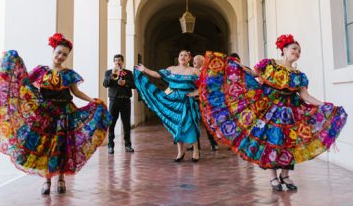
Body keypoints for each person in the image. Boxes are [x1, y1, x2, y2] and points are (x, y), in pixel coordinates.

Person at [198, 35, 347, 191]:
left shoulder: (299, 76)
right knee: (272, 142)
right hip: (269, 109)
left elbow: (305, 96)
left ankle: (285, 175)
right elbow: (253, 74)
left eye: (299, 51)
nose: (297, 52)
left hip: (291, 113)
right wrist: (239, 66)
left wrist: (325, 105)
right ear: (284, 50)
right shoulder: (270, 64)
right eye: (294, 48)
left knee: (289, 143)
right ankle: (273, 177)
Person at [0, 33, 111, 195]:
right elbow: (24, 82)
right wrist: (13, 64)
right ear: (53, 51)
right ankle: (47, 180)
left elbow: (76, 92)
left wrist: (92, 100)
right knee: (46, 147)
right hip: (45, 115)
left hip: (65, 114)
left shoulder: (68, 74)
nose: (61, 56)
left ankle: (61, 179)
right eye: (59, 52)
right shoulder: (40, 71)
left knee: (62, 147)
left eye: (65, 54)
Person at [134, 50, 201, 162]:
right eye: (180, 55)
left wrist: (195, 93)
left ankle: (196, 151)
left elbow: (205, 84)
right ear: (178, 57)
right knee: (176, 126)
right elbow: (157, 74)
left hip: (187, 101)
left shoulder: (194, 71)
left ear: (189, 58)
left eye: (185, 55)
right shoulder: (171, 69)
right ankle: (180, 152)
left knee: (191, 125)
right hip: (173, 101)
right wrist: (144, 70)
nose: (183, 57)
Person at [103, 54, 136, 154]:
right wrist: (112, 76)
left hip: (126, 101)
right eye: (116, 60)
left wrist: (125, 82)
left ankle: (128, 145)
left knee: (126, 124)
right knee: (111, 124)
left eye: (120, 60)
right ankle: (110, 146)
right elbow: (105, 84)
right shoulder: (109, 72)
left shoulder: (128, 73)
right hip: (114, 101)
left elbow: (134, 85)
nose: (118, 62)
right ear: (114, 62)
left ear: (122, 62)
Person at [188, 54, 219, 151]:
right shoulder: (192, 71)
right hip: (193, 100)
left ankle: (213, 143)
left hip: (205, 102)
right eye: (194, 60)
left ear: (202, 61)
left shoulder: (208, 72)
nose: (194, 62)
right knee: (193, 123)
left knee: (207, 123)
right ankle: (195, 145)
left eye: (196, 60)